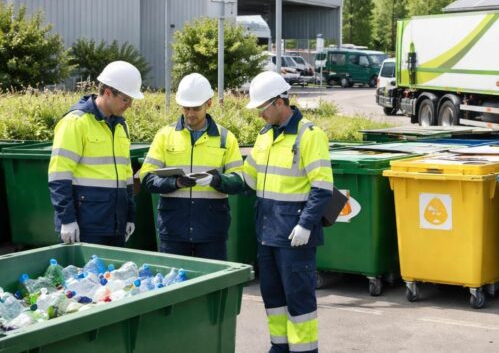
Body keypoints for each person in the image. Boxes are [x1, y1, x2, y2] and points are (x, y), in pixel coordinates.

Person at [242, 71, 333, 353]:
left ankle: (304, 351)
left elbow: (323, 187)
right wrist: (217, 179)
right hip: (268, 233)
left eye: (262, 108)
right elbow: (249, 179)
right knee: (273, 299)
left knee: (299, 302)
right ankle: (279, 348)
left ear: (280, 102)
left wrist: (306, 224)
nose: (260, 115)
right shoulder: (265, 136)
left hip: (295, 236)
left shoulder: (309, 135)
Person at [139, 73, 244, 260]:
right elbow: (146, 178)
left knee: (212, 285)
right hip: (173, 230)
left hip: (211, 231)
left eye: (196, 108)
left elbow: (239, 181)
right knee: (174, 286)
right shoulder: (164, 136)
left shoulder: (226, 138)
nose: (190, 114)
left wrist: (216, 180)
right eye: (186, 108)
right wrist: (175, 183)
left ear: (209, 104)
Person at [49, 61, 144, 247]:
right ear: (108, 92)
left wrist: (130, 215)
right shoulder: (76, 122)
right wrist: (66, 219)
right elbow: (59, 175)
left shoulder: (120, 125)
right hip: (85, 225)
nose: (130, 105)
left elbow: (126, 175)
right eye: (126, 99)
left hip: (116, 223)